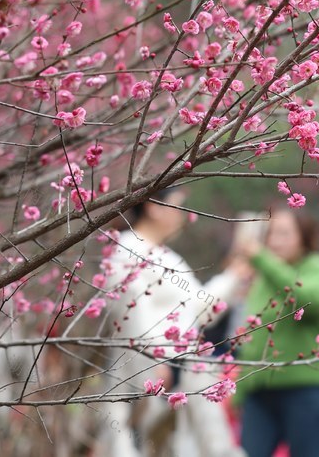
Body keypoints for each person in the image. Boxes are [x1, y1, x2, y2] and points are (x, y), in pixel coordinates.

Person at [96, 188, 251, 457]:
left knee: (197, 439)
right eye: (177, 206)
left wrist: (233, 275)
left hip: (185, 363)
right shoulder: (126, 249)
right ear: (154, 208)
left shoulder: (169, 258)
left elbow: (199, 307)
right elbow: (129, 315)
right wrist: (153, 363)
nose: (183, 214)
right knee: (145, 442)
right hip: (148, 370)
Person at [234, 208, 319, 457]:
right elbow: (253, 336)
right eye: (270, 233)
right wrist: (241, 390)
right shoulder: (264, 278)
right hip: (260, 392)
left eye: (284, 234)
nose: (274, 241)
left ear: (304, 236)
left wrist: (262, 260)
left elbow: (307, 302)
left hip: (305, 388)